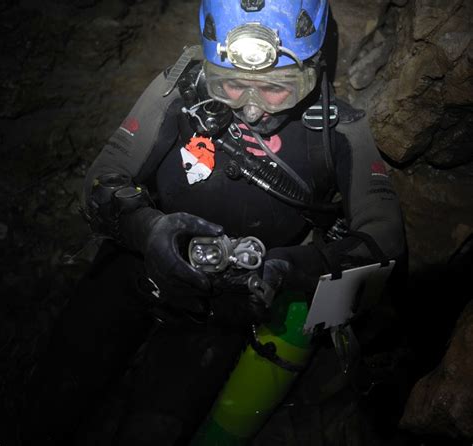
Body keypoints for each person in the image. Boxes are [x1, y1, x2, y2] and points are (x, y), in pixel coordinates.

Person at [22, 1, 406, 445]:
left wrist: (290, 267)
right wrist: (148, 229)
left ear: (313, 68)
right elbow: (101, 180)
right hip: (134, 268)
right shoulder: (181, 87)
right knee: (49, 405)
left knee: (153, 431)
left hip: (223, 307)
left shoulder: (339, 131)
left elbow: (385, 240)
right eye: (230, 85)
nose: (251, 109)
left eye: (276, 89)